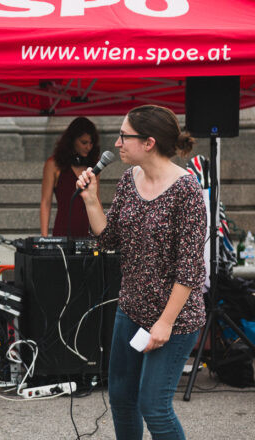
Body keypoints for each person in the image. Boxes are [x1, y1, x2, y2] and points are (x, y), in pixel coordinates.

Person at [76, 105, 206, 440]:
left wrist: (164, 322)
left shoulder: (186, 190)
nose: (116, 143)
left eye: (123, 136)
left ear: (148, 142)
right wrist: (92, 200)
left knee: (154, 407)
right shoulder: (128, 179)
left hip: (174, 319)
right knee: (121, 398)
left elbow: (190, 268)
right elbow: (109, 240)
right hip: (131, 311)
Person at [40, 116, 101, 237]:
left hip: (88, 232)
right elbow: (45, 203)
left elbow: (96, 201)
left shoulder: (93, 166)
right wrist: (44, 238)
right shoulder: (53, 164)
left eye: (91, 143)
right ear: (72, 141)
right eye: (84, 143)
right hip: (63, 232)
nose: (88, 147)